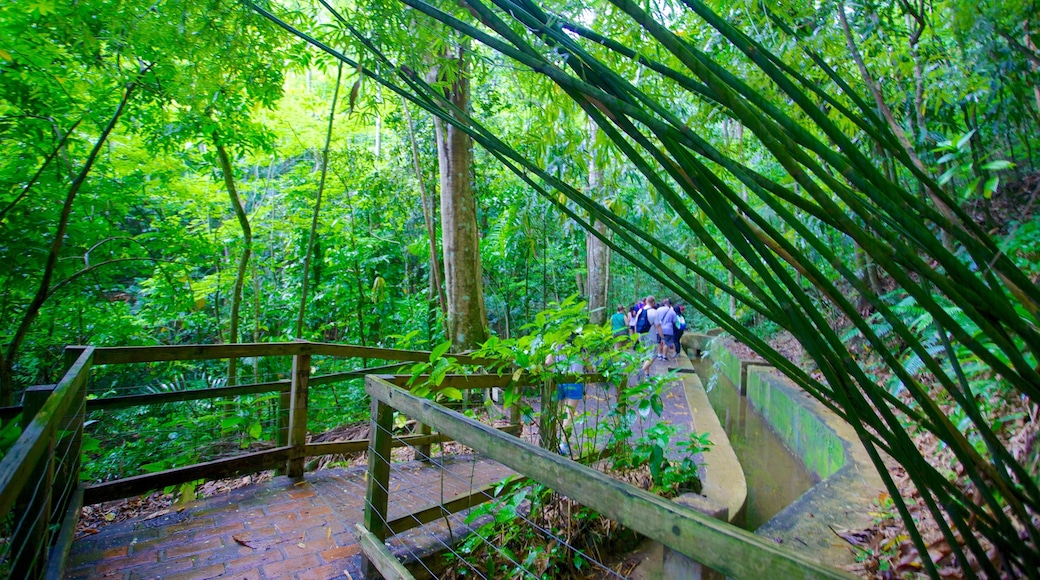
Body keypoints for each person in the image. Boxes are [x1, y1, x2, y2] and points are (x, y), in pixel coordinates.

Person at [545, 335, 587, 456]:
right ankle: (564, 444)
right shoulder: (581, 345)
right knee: (569, 414)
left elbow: (548, 362)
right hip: (575, 382)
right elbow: (588, 364)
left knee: (560, 412)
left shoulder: (557, 343)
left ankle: (556, 439)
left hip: (560, 380)